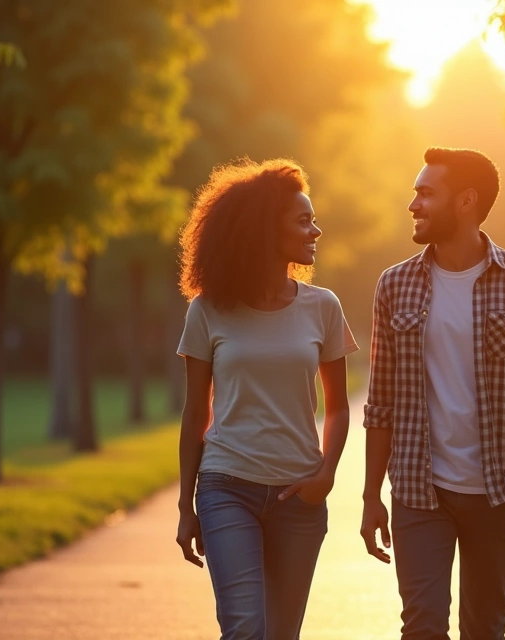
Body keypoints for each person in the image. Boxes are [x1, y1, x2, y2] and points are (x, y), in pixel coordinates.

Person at [360, 147, 505, 640]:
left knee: (484, 630)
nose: (413, 204)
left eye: (425, 193)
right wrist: (372, 494)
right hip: (419, 491)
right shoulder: (394, 285)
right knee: (421, 628)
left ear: (466, 201)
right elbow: (381, 403)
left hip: (498, 492)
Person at [174, 158, 358, 639]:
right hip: (226, 487)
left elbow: (338, 407)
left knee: (281, 635)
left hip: (299, 497)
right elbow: (197, 412)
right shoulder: (208, 310)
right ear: (264, 229)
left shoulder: (324, 307)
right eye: (302, 221)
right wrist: (184, 506)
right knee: (244, 629)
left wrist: (325, 475)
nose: (315, 230)